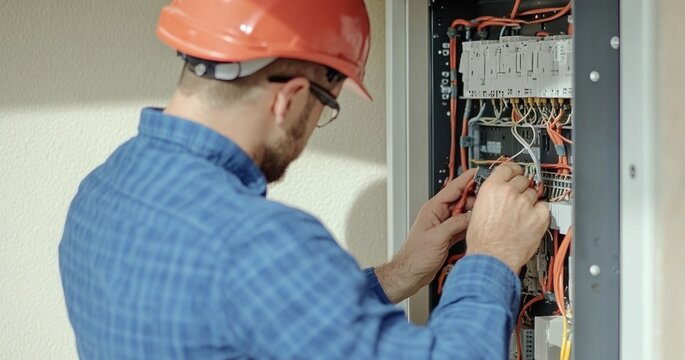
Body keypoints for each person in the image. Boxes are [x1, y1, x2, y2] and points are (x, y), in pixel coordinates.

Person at [58, 0, 550, 358]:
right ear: (288, 98)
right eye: (325, 109)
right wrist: (492, 255)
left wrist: (400, 272)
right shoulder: (258, 242)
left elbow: (252, 319)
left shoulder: (102, 189)